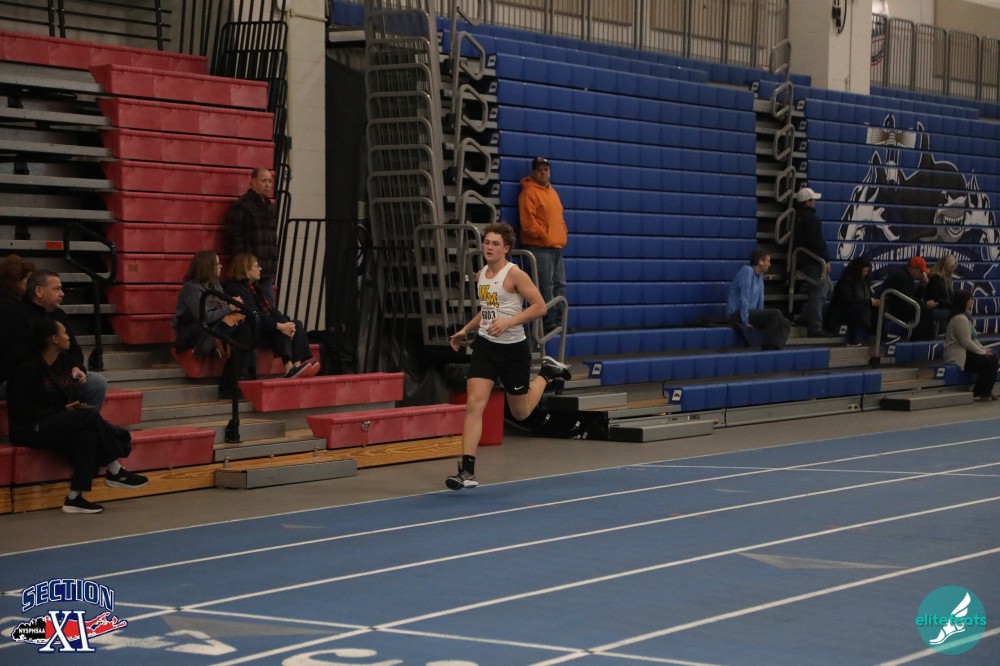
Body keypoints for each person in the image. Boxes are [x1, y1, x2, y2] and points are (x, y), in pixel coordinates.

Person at [446, 222, 572, 490]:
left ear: (506, 249)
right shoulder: (481, 274)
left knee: (521, 412)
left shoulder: (515, 275)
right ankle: (467, 471)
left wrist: (509, 322)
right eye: (486, 242)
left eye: (495, 244)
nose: (489, 247)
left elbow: (539, 307)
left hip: (513, 350)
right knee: (474, 404)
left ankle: (546, 372)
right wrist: (466, 329)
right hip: (485, 347)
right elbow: (487, 309)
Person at [6, 318, 147, 514]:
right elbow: (22, 412)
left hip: (52, 420)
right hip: (29, 428)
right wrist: (63, 410)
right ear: (54, 339)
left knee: (87, 436)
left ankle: (75, 498)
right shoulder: (26, 370)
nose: (69, 337)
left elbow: (61, 388)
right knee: (87, 416)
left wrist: (73, 388)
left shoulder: (59, 364)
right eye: (65, 333)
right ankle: (115, 467)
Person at [0, 269, 107, 409]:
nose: (62, 294)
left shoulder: (59, 314)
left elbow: (74, 349)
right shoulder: (13, 315)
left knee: (96, 382)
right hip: (22, 379)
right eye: (56, 289)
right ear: (39, 291)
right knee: (46, 386)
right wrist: (52, 375)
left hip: (59, 377)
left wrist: (76, 368)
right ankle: (54, 419)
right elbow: (16, 358)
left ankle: (83, 421)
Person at [173, 251, 253, 399]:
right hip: (195, 332)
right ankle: (230, 383)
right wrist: (229, 307)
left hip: (213, 326)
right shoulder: (191, 288)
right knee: (243, 333)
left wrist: (232, 305)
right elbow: (204, 317)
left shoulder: (215, 285)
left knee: (245, 331)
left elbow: (220, 307)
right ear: (207, 266)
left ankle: (236, 379)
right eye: (217, 264)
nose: (220, 266)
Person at [224, 253, 317, 379]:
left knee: (296, 324)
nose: (260, 269)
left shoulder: (254, 287)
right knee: (280, 330)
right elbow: (252, 316)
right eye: (256, 266)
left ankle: (297, 366)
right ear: (245, 269)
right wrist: (280, 325)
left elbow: (271, 310)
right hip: (252, 330)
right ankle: (289, 368)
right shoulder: (236, 289)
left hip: (262, 326)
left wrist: (286, 322)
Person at [518, 157, 567, 333]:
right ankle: (549, 323)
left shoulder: (552, 192)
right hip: (539, 248)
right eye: (539, 170)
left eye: (546, 169)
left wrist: (562, 233)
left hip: (555, 246)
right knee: (546, 286)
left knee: (559, 284)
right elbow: (528, 223)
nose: (543, 172)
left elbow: (559, 217)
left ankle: (561, 322)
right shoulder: (528, 193)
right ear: (533, 172)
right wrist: (545, 236)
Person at [225, 167, 279, 301]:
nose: (268, 185)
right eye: (264, 181)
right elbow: (233, 235)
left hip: (266, 267)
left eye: (270, 181)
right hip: (249, 269)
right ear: (253, 181)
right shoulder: (242, 205)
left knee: (268, 305)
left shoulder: (270, 207)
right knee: (255, 305)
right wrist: (244, 263)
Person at [726, 247, 791, 350]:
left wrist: (761, 318)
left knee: (785, 322)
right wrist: (745, 321)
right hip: (737, 313)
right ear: (761, 261)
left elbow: (760, 299)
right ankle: (768, 348)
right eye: (768, 261)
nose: (769, 264)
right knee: (776, 314)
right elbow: (744, 297)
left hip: (751, 312)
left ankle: (776, 348)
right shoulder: (747, 271)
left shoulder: (760, 276)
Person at [944, 290, 997, 402]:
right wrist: (982, 352)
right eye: (970, 299)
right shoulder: (959, 319)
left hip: (967, 352)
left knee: (993, 357)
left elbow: (973, 338)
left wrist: (983, 348)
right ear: (964, 301)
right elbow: (966, 341)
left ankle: (986, 391)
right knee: (988, 363)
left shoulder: (966, 318)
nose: (972, 301)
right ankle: (979, 393)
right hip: (959, 355)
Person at [792, 187, 832, 336]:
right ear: (808, 202)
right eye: (812, 200)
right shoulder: (811, 219)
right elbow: (817, 241)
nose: (814, 202)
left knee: (829, 288)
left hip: (803, 260)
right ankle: (815, 327)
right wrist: (825, 260)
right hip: (814, 262)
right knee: (819, 293)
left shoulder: (796, 217)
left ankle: (806, 316)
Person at [0, 254, 35, 398]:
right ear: (14, 282)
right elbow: (15, 353)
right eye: (26, 280)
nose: (28, 286)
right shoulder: (11, 310)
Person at [826, 257, 880, 346]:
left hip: (857, 310)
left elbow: (869, 297)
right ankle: (853, 340)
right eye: (864, 271)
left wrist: (875, 302)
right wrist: (869, 302)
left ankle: (877, 338)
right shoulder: (845, 281)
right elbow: (849, 300)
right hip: (841, 312)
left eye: (867, 271)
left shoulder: (865, 283)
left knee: (880, 309)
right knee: (859, 310)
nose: (866, 274)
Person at [880, 256, 935, 340]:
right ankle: (918, 340)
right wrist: (925, 304)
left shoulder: (906, 276)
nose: (921, 275)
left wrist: (922, 286)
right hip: (892, 308)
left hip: (901, 305)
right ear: (914, 268)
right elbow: (908, 300)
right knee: (924, 309)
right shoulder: (902, 276)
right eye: (921, 272)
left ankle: (927, 340)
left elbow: (912, 298)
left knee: (925, 309)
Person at [925, 254, 958, 330]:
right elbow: (936, 298)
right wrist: (951, 306)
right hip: (935, 308)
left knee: (964, 312)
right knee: (957, 314)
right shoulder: (936, 278)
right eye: (950, 268)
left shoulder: (947, 279)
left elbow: (950, 297)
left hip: (943, 307)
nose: (951, 271)